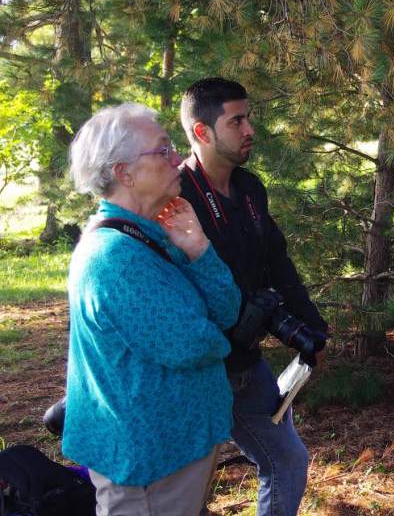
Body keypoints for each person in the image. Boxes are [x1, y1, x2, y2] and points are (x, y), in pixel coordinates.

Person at [64, 103, 240, 516]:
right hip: (148, 460)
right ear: (123, 172)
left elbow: (228, 311)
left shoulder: (152, 234)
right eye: (162, 151)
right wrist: (222, 335)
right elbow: (195, 344)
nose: (177, 158)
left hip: (173, 448)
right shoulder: (116, 257)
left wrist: (198, 248)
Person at [178, 78, 328, 516]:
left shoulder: (249, 190)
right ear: (202, 132)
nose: (250, 130)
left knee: (288, 460)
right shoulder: (175, 196)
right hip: (199, 373)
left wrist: (310, 326)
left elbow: (276, 260)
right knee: (184, 489)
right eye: (236, 121)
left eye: (249, 118)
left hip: (246, 364)